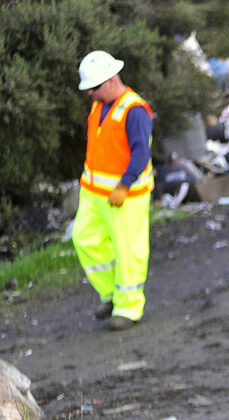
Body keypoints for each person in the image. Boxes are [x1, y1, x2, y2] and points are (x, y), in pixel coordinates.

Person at [73, 51, 154, 331]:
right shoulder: (100, 104)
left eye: (93, 88)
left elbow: (141, 153)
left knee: (128, 250)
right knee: (85, 239)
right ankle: (110, 294)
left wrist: (123, 185)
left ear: (109, 81)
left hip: (124, 196)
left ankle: (128, 308)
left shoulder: (134, 110)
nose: (90, 94)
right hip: (93, 192)